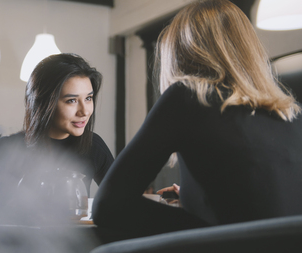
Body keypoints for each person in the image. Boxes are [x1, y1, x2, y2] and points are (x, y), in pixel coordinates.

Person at [92, 0, 302, 239]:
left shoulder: (189, 95)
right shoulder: (292, 113)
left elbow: (109, 205)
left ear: (180, 56)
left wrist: (206, 229)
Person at [0, 53, 114, 226]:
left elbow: (123, 200)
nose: (84, 111)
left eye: (88, 98)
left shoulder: (93, 146)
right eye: (71, 100)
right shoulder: (6, 150)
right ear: (43, 103)